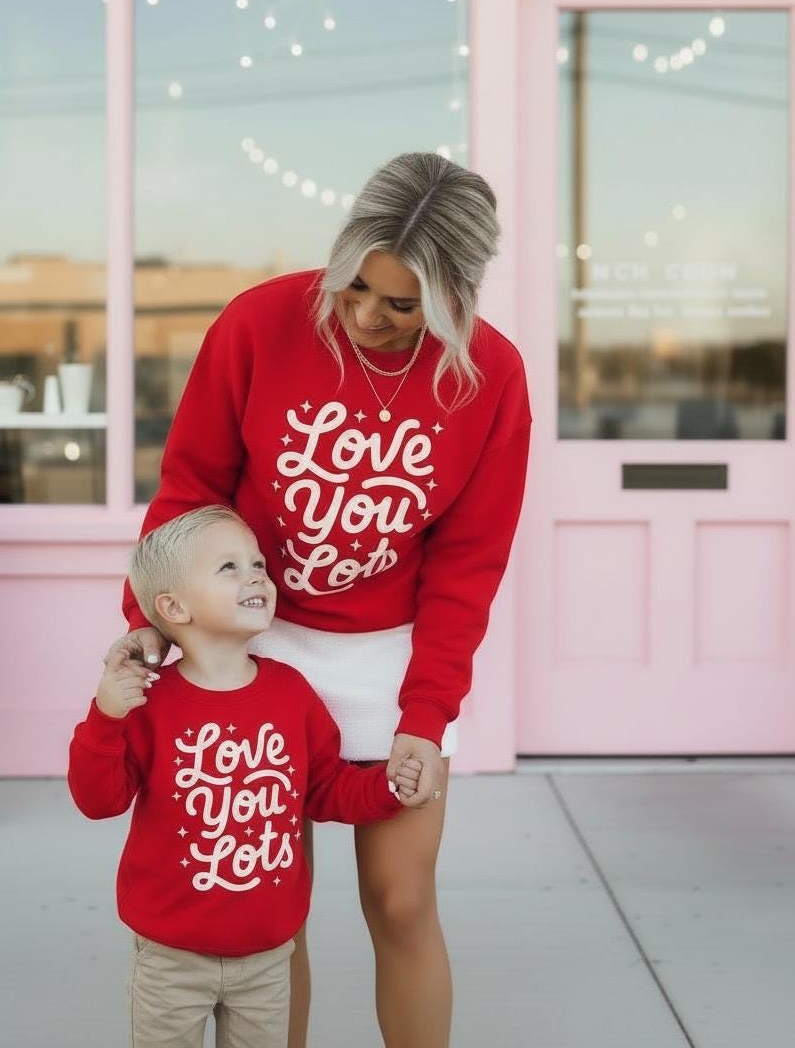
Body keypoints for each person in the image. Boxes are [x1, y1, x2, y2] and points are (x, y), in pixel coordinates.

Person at [104, 151, 532, 1048]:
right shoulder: (260, 323)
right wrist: (151, 623)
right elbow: (190, 487)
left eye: (402, 306)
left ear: (456, 296)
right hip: (254, 636)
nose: (367, 317)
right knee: (270, 912)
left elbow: (469, 564)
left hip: (392, 653)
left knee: (402, 901)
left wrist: (427, 712)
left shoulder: (490, 377)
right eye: (355, 287)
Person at [69, 505, 422, 1048]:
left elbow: (325, 788)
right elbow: (99, 801)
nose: (256, 575)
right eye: (228, 567)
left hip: (267, 957)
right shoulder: (149, 703)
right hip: (170, 958)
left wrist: (388, 786)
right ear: (174, 607)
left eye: (257, 563)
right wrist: (106, 717)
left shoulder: (292, 693)